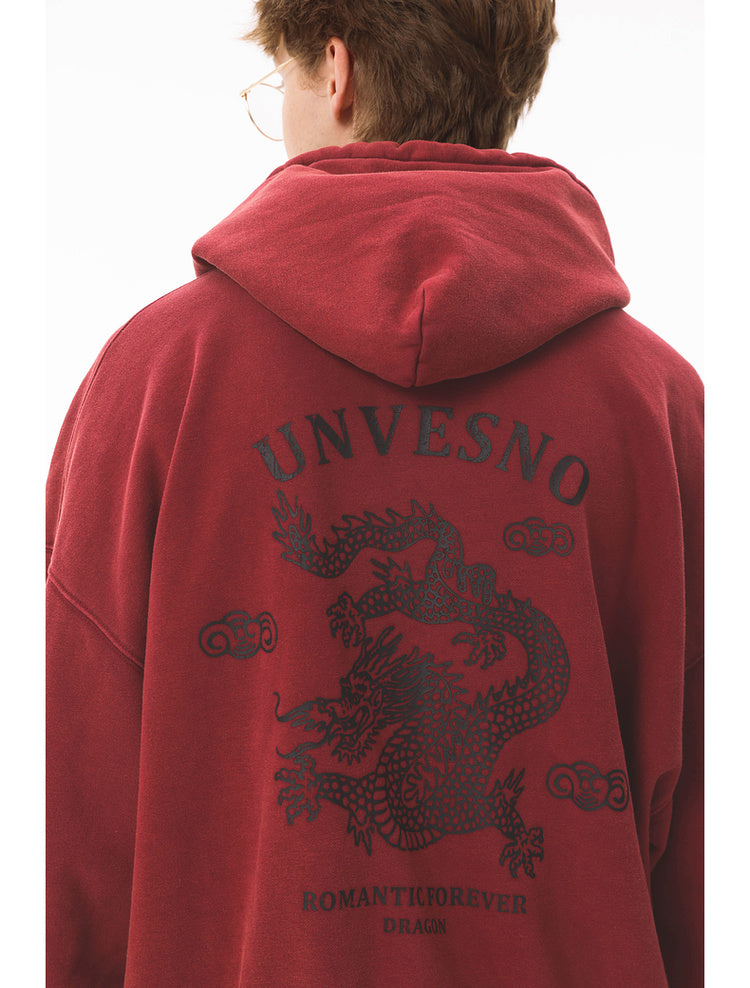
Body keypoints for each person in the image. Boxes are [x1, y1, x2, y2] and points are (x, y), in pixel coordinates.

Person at [46, 1, 703, 985]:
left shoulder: (155, 382)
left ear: (337, 70)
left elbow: (74, 818)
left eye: (278, 82)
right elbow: (707, 864)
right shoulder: (659, 406)